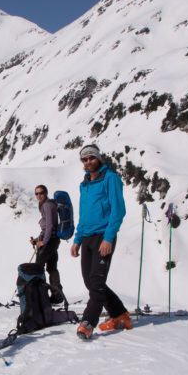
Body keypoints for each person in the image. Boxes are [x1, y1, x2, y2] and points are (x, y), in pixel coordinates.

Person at [70, 144, 131, 339]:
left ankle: (88, 322)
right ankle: (119, 314)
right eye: (84, 159)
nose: (88, 162)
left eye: (91, 158)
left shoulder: (110, 178)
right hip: (87, 236)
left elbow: (118, 210)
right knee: (90, 281)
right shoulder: (85, 184)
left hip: (103, 236)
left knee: (96, 281)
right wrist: (77, 240)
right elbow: (83, 214)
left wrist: (108, 237)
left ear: (98, 158)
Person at [31, 185, 64, 303]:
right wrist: (36, 240)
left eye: (41, 193)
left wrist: (43, 242)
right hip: (53, 240)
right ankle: (57, 295)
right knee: (52, 268)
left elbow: (50, 225)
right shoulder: (47, 204)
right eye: (37, 194)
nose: (39, 196)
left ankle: (41, 296)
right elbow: (47, 227)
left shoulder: (47, 205)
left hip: (49, 241)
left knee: (38, 267)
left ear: (46, 193)